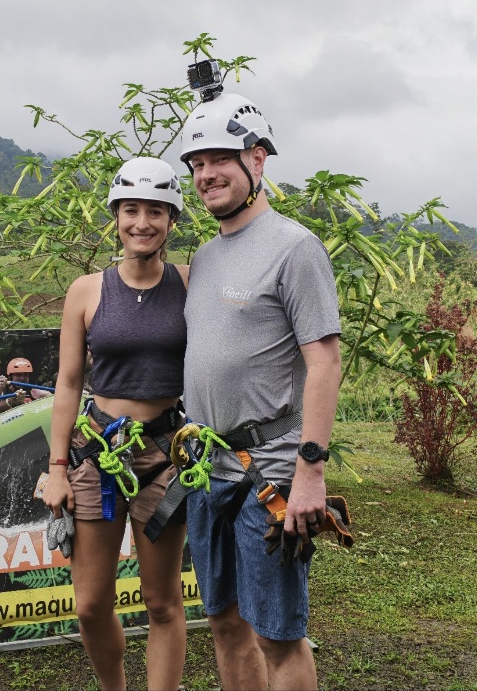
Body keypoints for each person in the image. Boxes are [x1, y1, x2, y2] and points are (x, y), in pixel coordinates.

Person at [179, 90, 342, 691]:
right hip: (207, 470)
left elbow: (324, 362)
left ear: (258, 159)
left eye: (219, 158)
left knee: (277, 634)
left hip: (268, 472)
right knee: (223, 621)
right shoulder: (206, 255)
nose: (206, 174)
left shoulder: (294, 247)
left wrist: (311, 473)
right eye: (196, 164)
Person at [42, 157, 189, 691]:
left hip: (164, 456)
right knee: (90, 604)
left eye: (156, 211)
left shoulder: (190, 283)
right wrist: (57, 467)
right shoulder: (87, 290)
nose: (142, 223)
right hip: (97, 452)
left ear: (172, 220)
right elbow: (68, 383)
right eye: (131, 210)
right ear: (116, 216)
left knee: (162, 602)